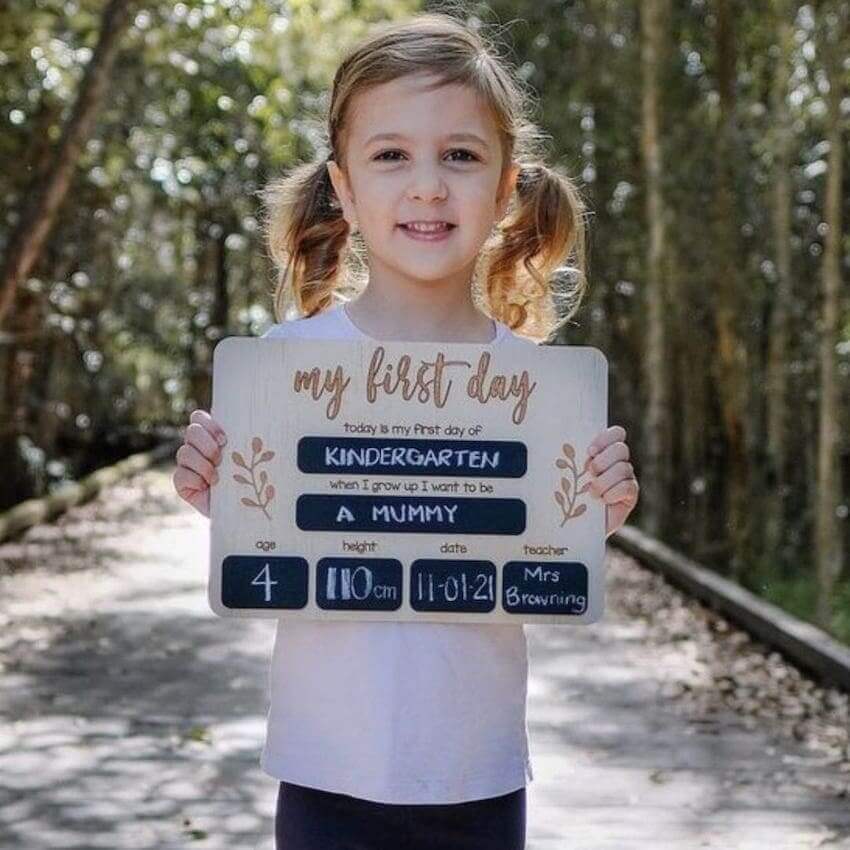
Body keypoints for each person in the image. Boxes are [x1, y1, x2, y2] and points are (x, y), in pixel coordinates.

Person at [172, 11, 639, 850]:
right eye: (391, 155)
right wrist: (221, 495)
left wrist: (593, 513)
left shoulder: (542, 390)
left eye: (460, 155)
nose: (427, 185)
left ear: (505, 189)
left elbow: (549, 553)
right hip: (324, 774)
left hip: (480, 776)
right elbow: (274, 536)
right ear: (344, 186)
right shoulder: (282, 366)